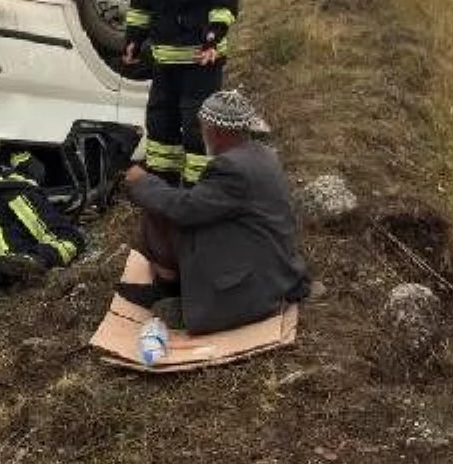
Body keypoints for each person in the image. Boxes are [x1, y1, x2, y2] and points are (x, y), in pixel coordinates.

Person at [118, 90, 311, 334]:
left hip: (256, 283)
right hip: (272, 263)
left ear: (216, 132)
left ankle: (171, 291)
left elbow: (184, 210)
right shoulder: (260, 153)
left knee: (160, 210)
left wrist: (141, 182)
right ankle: (172, 285)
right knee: (163, 201)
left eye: (202, 128)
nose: (202, 134)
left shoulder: (231, 168)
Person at [124, 0, 239, 187]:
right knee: (160, 122)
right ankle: (163, 182)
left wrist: (214, 35)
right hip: (164, 57)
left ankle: (199, 189)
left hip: (201, 58)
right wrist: (134, 36)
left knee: (196, 127)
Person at [0, 151, 88, 297]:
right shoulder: (19, 190)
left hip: (0, 248)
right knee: (70, 238)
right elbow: (52, 229)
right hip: (14, 252)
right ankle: (25, 263)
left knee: (11, 244)